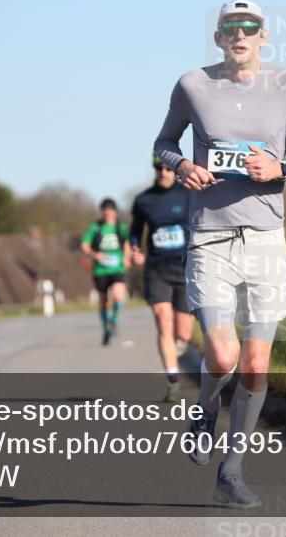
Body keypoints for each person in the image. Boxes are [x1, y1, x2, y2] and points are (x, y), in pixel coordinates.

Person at [153, 0, 286, 508]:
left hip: (266, 240)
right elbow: (163, 143)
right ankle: (204, 409)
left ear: (264, 36)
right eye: (230, 27)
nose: (240, 34)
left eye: (250, 27)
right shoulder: (192, 85)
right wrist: (182, 167)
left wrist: (280, 171)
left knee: (253, 365)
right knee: (222, 355)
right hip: (211, 236)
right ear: (219, 36)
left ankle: (232, 470)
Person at [130, 155, 196, 402]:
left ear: (175, 171)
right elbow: (136, 230)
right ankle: (173, 379)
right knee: (162, 320)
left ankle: (180, 346)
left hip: (185, 267)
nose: (164, 171)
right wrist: (135, 248)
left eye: (168, 168)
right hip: (157, 269)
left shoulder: (188, 193)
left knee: (184, 332)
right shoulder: (143, 200)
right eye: (159, 168)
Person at [80, 198, 130, 345]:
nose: (108, 213)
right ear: (102, 212)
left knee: (118, 294)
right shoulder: (96, 227)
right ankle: (106, 329)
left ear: (115, 212)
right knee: (103, 301)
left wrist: (126, 258)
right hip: (100, 270)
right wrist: (95, 254)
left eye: (111, 210)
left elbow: (127, 243)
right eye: (105, 210)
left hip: (117, 267)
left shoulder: (121, 228)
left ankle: (114, 320)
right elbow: (84, 244)